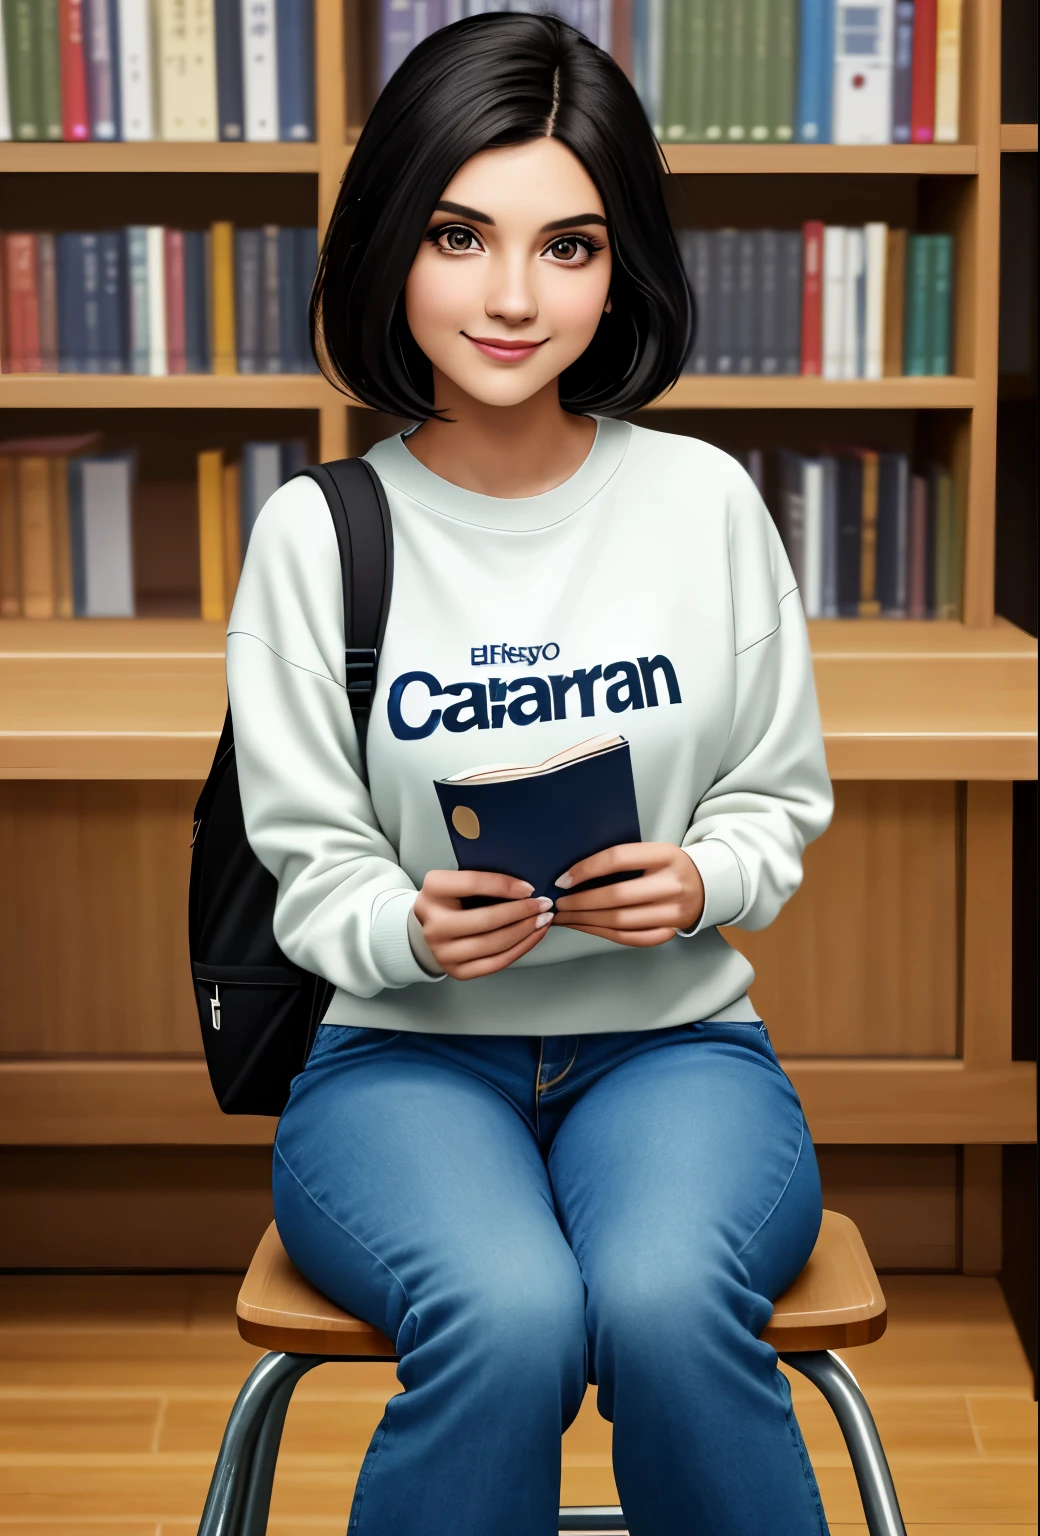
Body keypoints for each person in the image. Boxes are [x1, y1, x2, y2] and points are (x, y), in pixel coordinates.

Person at [226, 13, 834, 1534]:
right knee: (507, 1315)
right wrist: (409, 930)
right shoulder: (321, 534)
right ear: (391, 249)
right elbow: (312, 864)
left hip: (675, 1051)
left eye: (568, 246)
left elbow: (776, 798)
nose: (511, 297)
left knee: (660, 1297)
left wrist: (704, 877)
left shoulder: (703, 505)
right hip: (399, 1060)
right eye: (459, 235)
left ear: (621, 265)